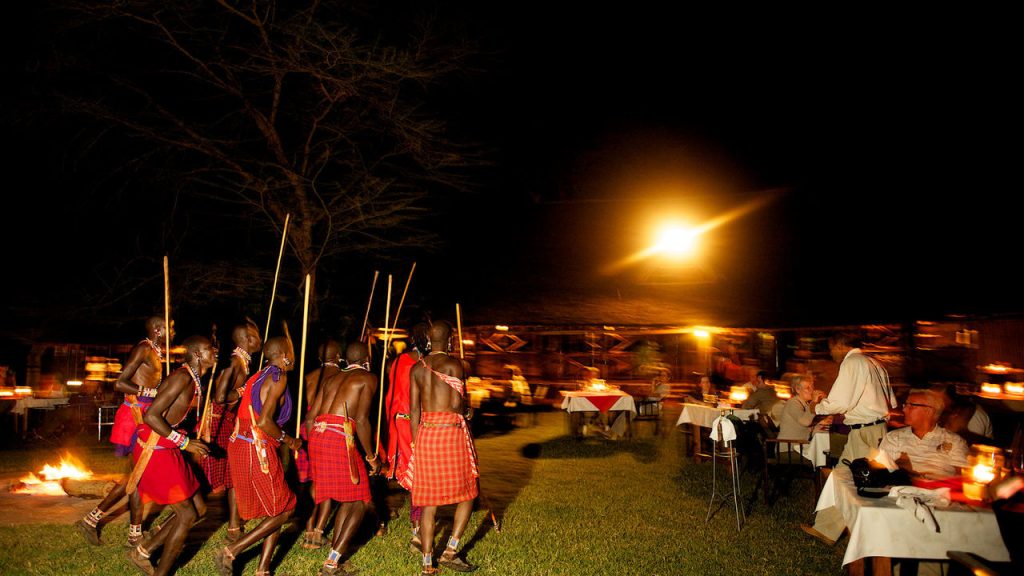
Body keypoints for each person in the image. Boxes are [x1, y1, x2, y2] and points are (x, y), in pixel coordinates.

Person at [76, 316, 171, 547]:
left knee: (137, 477)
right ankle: (105, 524)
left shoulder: (156, 352)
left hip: (145, 416)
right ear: (158, 330)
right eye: (170, 327)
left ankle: (127, 531)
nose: (173, 332)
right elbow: (120, 382)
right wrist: (149, 392)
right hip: (135, 416)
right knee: (135, 476)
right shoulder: (144, 349)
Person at [215, 336, 301, 576]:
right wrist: (289, 440)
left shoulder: (259, 375)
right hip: (255, 445)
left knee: (277, 508)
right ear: (284, 354)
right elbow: (264, 422)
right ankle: (232, 551)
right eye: (292, 351)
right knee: (286, 509)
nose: (294, 356)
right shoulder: (278, 377)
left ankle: (263, 570)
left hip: (244, 442)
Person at [127, 335, 213, 576]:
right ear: (197, 354)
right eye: (209, 349)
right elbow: (152, 416)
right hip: (155, 448)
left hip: (167, 445)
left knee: (200, 509)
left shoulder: (192, 379)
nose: (214, 352)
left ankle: (143, 551)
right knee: (186, 515)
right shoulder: (182, 377)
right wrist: (185, 442)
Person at [801, 331, 896, 546]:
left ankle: (873, 537)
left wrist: (818, 405)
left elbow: (840, 403)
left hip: (866, 431)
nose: (831, 352)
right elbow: (889, 400)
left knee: (864, 482)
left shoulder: (852, 362)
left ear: (840, 345)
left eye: (832, 347)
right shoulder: (875, 363)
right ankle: (826, 529)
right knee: (842, 476)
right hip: (872, 429)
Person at [409, 321, 480, 574]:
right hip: (451, 432)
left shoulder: (417, 368)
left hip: (425, 433)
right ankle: (451, 550)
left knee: (429, 502)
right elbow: (457, 405)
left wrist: (415, 442)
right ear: (450, 340)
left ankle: (428, 562)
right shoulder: (455, 365)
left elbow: (414, 409)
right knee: (470, 492)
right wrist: (468, 410)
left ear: (428, 339)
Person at [306, 342, 381, 576]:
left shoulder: (331, 378)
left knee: (349, 499)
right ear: (367, 359)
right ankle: (331, 564)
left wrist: (314, 445)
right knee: (361, 500)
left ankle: (334, 557)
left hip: (318, 435)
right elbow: (361, 420)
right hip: (338, 435)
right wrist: (371, 457)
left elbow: (310, 417)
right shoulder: (368, 377)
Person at [201, 322, 261, 544]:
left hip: (229, 421)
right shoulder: (233, 362)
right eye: (256, 336)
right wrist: (244, 391)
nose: (260, 340)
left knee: (234, 475)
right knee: (206, 479)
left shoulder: (243, 363)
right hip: (216, 422)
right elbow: (219, 397)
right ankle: (170, 523)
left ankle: (234, 527)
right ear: (246, 339)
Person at [386, 322, 429, 554]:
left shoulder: (398, 361)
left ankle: (415, 527)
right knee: (419, 478)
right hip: (413, 424)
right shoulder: (420, 364)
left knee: (413, 479)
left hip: (397, 423)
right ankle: (417, 531)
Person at [299, 339, 344, 550]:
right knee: (326, 483)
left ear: (319, 358)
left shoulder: (308, 377)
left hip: (308, 429)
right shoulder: (340, 378)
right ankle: (317, 532)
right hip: (329, 430)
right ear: (338, 357)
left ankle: (309, 529)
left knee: (313, 481)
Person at [877, 390, 968, 479]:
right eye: (905, 404)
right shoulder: (893, 438)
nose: (904, 409)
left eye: (911, 405)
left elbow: (962, 477)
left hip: (939, 491)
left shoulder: (954, 441)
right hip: (903, 490)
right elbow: (881, 473)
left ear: (929, 411)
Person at [777, 373, 826, 446]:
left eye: (812, 386)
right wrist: (814, 402)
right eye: (807, 388)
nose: (811, 390)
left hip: (800, 446)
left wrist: (823, 400)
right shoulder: (793, 403)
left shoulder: (805, 404)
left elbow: (804, 427)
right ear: (797, 389)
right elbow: (805, 422)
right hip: (789, 449)